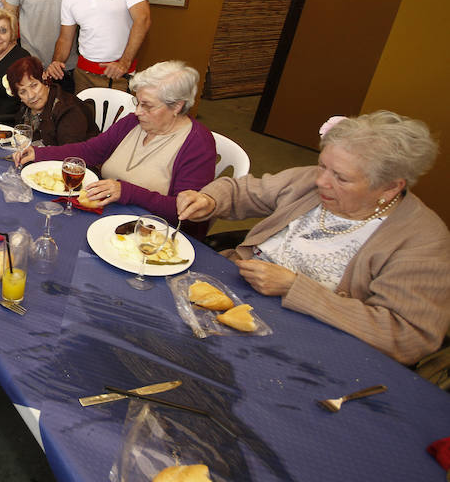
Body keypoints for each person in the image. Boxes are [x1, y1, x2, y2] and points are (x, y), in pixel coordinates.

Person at [177, 111, 450, 365]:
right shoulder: (310, 181)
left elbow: (406, 337)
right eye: (322, 166)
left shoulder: (422, 242)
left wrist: (295, 288)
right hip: (230, 292)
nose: (321, 182)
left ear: (390, 187)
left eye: (341, 178)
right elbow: (243, 191)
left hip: (305, 345)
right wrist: (210, 199)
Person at [15, 61, 214, 236]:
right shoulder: (133, 122)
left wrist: (126, 191)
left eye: (147, 105)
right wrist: (39, 153)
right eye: (137, 101)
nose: (137, 111)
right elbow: (91, 150)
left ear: (177, 106)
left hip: (149, 237)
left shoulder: (197, 144)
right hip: (104, 217)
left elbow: (184, 211)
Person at [6, 56, 98, 146]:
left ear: (44, 79)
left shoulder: (68, 109)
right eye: (23, 92)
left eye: (34, 85)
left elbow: (70, 153)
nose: (31, 95)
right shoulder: (25, 109)